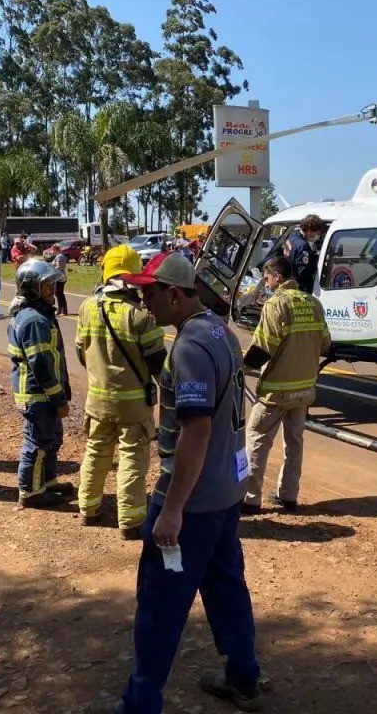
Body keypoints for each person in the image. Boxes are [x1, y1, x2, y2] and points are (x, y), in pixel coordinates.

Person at [90, 252, 261, 714]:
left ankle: (140, 702)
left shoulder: (188, 347)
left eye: (149, 293)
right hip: (227, 489)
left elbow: (196, 430)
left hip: (195, 501)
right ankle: (243, 676)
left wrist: (171, 510)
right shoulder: (221, 332)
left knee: (159, 605)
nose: (144, 304)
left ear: (174, 292)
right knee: (226, 586)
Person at [75, 246, 166, 540]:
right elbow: (158, 366)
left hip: (97, 401)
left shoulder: (87, 307)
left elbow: (81, 352)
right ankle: (130, 521)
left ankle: (88, 509)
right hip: (133, 406)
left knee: (96, 452)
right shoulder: (140, 316)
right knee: (132, 458)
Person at [241, 256, 331, 513]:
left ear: (277, 277)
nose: (266, 283)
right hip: (304, 391)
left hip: (276, 392)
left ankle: (250, 499)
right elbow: (325, 344)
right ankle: (288, 496)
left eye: (267, 278)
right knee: (294, 442)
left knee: (257, 439)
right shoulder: (314, 303)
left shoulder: (275, 305)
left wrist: (242, 369)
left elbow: (262, 348)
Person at [7, 259, 75, 508]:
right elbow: (41, 364)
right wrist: (58, 398)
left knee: (51, 440)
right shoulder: (34, 320)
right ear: (33, 288)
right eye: (47, 286)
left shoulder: (40, 315)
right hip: (38, 395)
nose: (52, 291)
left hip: (45, 394)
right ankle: (31, 492)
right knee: (37, 443)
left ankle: (47, 482)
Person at [283, 214, 325, 294]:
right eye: (317, 233)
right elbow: (304, 272)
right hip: (300, 288)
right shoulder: (303, 246)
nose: (317, 236)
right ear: (309, 230)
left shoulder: (292, 238)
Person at [53, 246, 69, 316]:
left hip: (60, 277)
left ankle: (64, 310)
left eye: (52, 250)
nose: (52, 251)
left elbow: (59, 267)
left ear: (55, 249)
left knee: (59, 294)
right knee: (57, 293)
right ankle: (59, 309)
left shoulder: (59, 256)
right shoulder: (58, 256)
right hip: (57, 277)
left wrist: (52, 270)